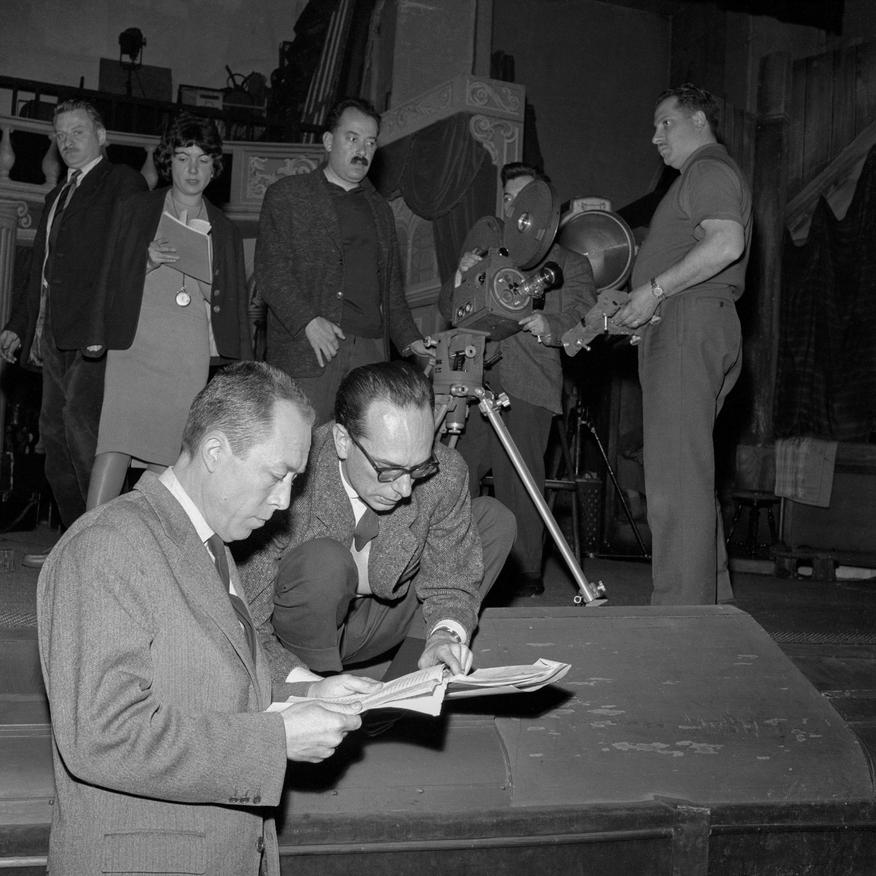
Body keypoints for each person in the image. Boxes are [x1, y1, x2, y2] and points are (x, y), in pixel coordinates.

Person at [37, 361, 380, 875]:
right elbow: (104, 735)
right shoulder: (108, 545)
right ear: (216, 452)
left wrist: (305, 694)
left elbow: (207, 684)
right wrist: (277, 741)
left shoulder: (210, 548)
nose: (286, 499)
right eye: (277, 474)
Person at [239, 360, 516, 677]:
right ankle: (322, 683)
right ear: (343, 441)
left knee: (494, 519)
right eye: (388, 469)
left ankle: (412, 685)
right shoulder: (292, 479)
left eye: (419, 466)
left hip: (383, 620)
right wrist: (305, 686)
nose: (405, 487)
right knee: (324, 561)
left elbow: (451, 581)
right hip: (301, 633)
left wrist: (444, 634)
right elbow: (249, 620)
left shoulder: (445, 473)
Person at [613, 83, 752, 605]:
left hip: (688, 322)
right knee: (688, 474)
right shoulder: (701, 175)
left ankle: (679, 620)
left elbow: (726, 241)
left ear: (699, 119)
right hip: (692, 322)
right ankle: (711, 611)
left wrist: (653, 291)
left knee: (673, 483)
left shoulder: (707, 168)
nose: (654, 137)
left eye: (664, 122)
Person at [438, 163, 596, 596]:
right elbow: (452, 309)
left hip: (529, 383)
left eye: (524, 197)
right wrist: (461, 276)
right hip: (471, 379)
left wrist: (550, 324)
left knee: (520, 483)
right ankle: (452, 570)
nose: (515, 207)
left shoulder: (572, 264)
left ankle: (523, 579)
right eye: (508, 199)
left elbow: (582, 315)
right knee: (452, 475)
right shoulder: (490, 253)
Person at [0, 99, 147, 555]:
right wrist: (18, 325)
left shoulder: (121, 181)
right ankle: (77, 542)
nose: (67, 141)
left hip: (93, 336)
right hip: (52, 335)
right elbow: (38, 271)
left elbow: (128, 260)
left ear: (101, 136)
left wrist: (105, 323)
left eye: (77, 131)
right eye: (60, 134)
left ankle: (108, 547)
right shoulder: (55, 195)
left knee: (87, 441)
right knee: (55, 444)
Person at [86, 113, 252, 509]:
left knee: (169, 454)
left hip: (186, 351)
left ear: (215, 166)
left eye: (202, 159)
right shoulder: (137, 208)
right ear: (168, 162)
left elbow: (233, 305)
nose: (192, 169)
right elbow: (108, 276)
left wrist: (213, 283)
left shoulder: (225, 230)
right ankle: (84, 540)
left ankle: (134, 536)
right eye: (182, 157)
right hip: (135, 346)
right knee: (115, 441)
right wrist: (146, 259)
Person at [255, 96, 432, 424]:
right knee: (300, 455)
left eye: (370, 141)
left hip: (371, 352)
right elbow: (271, 272)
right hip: (311, 347)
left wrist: (413, 342)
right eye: (352, 138)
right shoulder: (288, 195)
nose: (362, 149)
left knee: (360, 456)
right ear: (327, 141)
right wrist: (308, 321)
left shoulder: (381, 210)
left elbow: (391, 292)